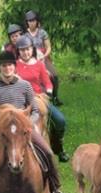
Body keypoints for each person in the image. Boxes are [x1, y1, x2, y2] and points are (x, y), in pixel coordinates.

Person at [0, 51, 65, 193]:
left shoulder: (25, 86)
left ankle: (55, 189)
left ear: (14, 67)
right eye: (4, 66)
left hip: (24, 131)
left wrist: (28, 125)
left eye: (10, 65)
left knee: (47, 152)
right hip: (3, 133)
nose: (7, 68)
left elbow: (34, 110)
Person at [15, 35, 70, 163]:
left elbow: (47, 82)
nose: (26, 52)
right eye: (22, 50)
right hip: (21, 100)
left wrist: (49, 91)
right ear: (19, 51)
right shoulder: (15, 65)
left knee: (60, 120)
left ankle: (58, 148)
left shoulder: (39, 64)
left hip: (39, 98)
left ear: (32, 49)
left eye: (28, 49)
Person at [24, 10, 63, 106]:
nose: (31, 23)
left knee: (54, 75)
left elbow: (48, 47)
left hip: (43, 58)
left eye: (33, 20)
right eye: (29, 21)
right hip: (31, 58)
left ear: (37, 21)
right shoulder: (25, 35)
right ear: (27, 22)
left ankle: (55, 96)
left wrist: (45, 56)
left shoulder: (42, 33)